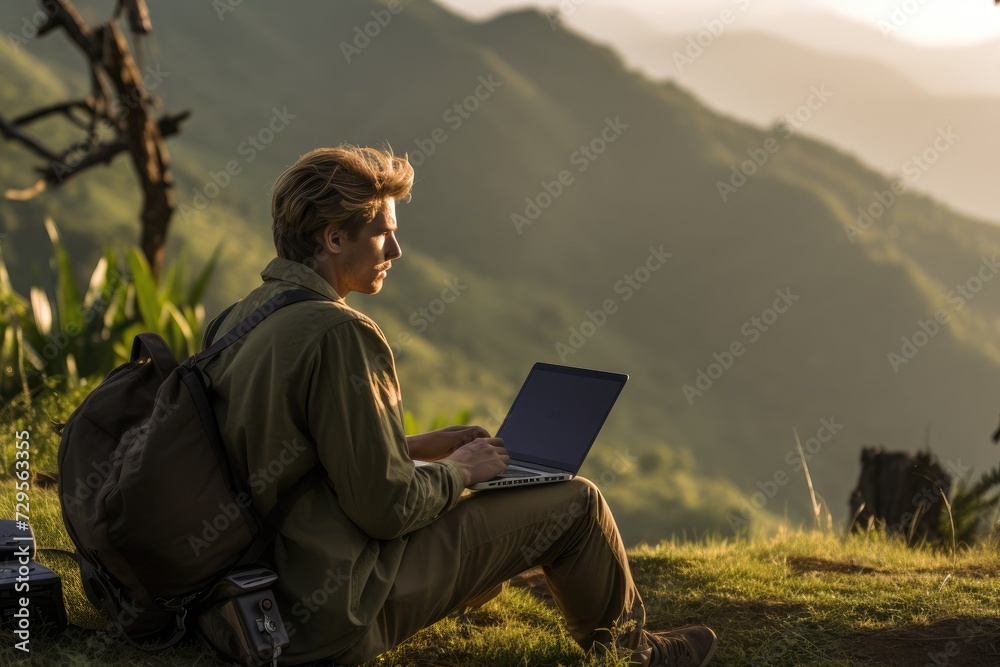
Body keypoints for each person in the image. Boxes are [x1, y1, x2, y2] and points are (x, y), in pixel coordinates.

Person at [201, 144, 717, 666]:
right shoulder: (340, 332)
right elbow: (385, 510)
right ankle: (637, 655)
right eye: (383, 232)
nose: (396, 251)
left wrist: (421, 447)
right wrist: (459, 472)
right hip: (334, 614)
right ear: (334, 238)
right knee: (578, 503)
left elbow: (287, 457)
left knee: (471, 487)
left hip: (253, 601)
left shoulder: (233, 322)